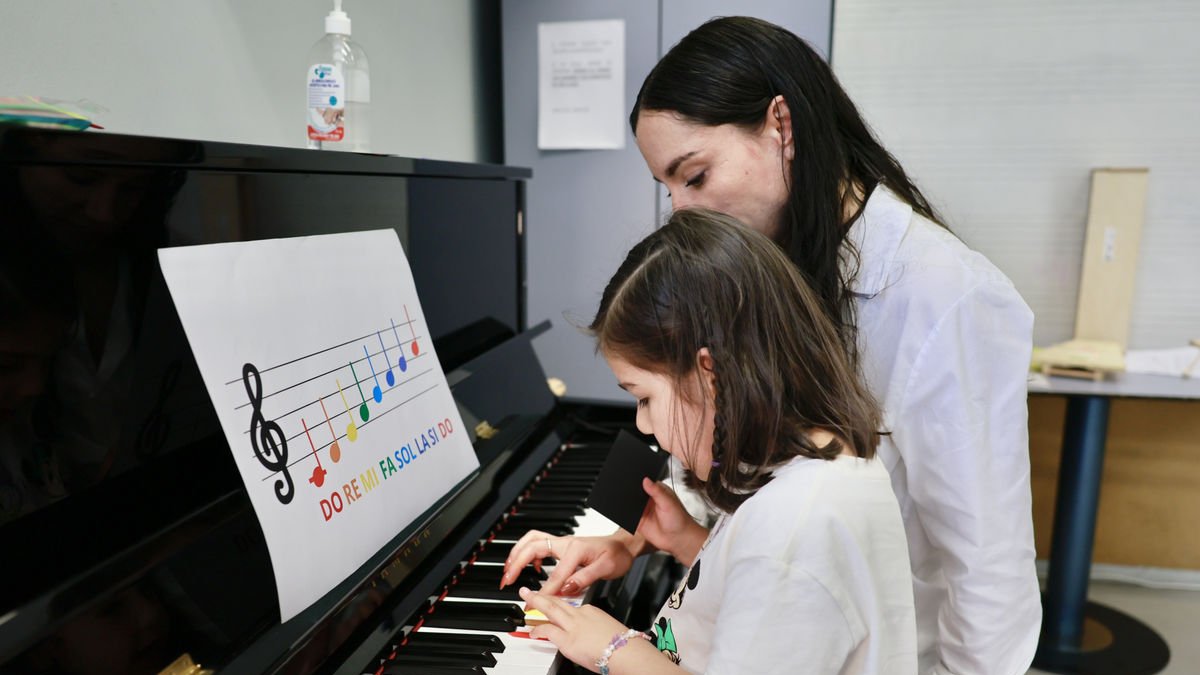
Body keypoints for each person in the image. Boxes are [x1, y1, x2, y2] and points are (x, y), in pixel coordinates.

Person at [520, 15, 1041, 675]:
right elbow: (744, 459)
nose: (683, 211)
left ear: (780, 126)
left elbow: (989, 579)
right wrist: (643, 540)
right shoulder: (772, 264)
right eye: (669, 188)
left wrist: (620, 647)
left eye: (696, 175)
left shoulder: (950, 294)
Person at [504, 208, 916, 674]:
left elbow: (778, 571)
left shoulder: (793, 530)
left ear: (710, 375)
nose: (641, 425)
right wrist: (687, 542)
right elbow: (763, 606)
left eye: (643, 397)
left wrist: (614, 648)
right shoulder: (817, 471)